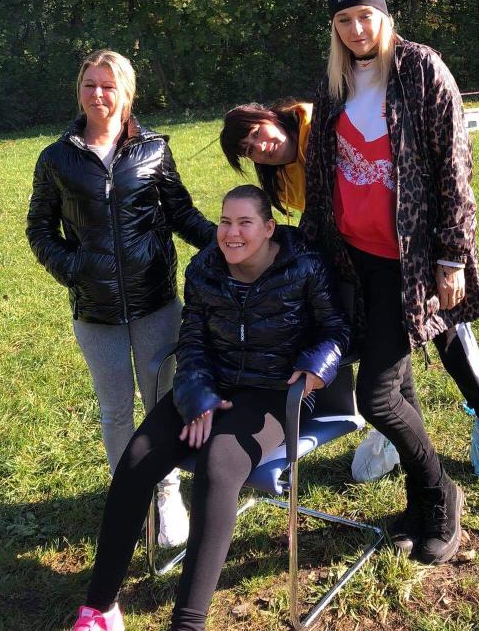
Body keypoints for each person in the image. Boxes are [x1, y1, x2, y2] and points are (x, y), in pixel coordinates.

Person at [299, 0, 479, 566]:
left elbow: (455, 170)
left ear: (383, 14)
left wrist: (452, 257)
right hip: (353, 260)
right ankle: (420, 506)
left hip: (409, 264)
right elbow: (320, 176)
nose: (355, 29)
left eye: (364, 16)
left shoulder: (421, 70)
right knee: (401, 390)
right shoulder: (334, 83)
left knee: (378, 397)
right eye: (343, 20)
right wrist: (312, 251)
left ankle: (441, 496)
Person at [68, 184, 349, 631]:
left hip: (274, 392)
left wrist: (316, 366)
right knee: (137, 458)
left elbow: (336, 329)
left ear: (269, 228)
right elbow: (193, 342)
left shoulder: (305, 265)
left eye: (245, 223)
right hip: (210, 385)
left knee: (219, 467)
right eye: (225, 222)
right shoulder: (203, 269)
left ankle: (188, 623)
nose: (232, 233)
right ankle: (100, 608)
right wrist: (198, 398)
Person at [220, 100, 479, 482]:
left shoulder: (323, 125)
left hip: (404, 245)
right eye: (249, 149)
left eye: (257, 133)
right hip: (359, 262)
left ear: (270, 116)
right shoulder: (280, 178)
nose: (261, 147)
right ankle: (399, 430)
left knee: (443, 330)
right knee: (385, 350)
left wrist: (442, 250)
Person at [26, 49, 215, 548]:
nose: (98, 95)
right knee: (115, 412)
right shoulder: (57, 158)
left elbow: (182, 214)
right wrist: (75, 269)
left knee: (161, 405)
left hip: (156, 304)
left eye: (108, 86)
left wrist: (231, 244)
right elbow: (39, 228)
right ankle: (131, 495)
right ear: (79, 90)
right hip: (96, 312)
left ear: (127, 93)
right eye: (90, 84)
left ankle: (168, 493)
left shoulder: (153, 151)